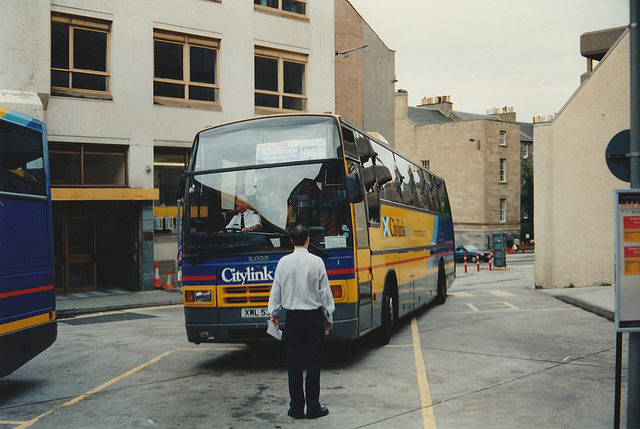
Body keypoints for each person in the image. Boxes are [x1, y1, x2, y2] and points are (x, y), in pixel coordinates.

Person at [267, 225, 335, 420]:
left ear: (291, 241)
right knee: (313, 363)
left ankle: (296, 407)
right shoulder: (317, 262)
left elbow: (276, 291)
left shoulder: (283, 262)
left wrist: (274, 314)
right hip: (314, 318)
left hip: (293, 318)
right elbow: (324, 293)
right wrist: (328, 316)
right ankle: (313, 407)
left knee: (294, 363)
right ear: (307, 240)